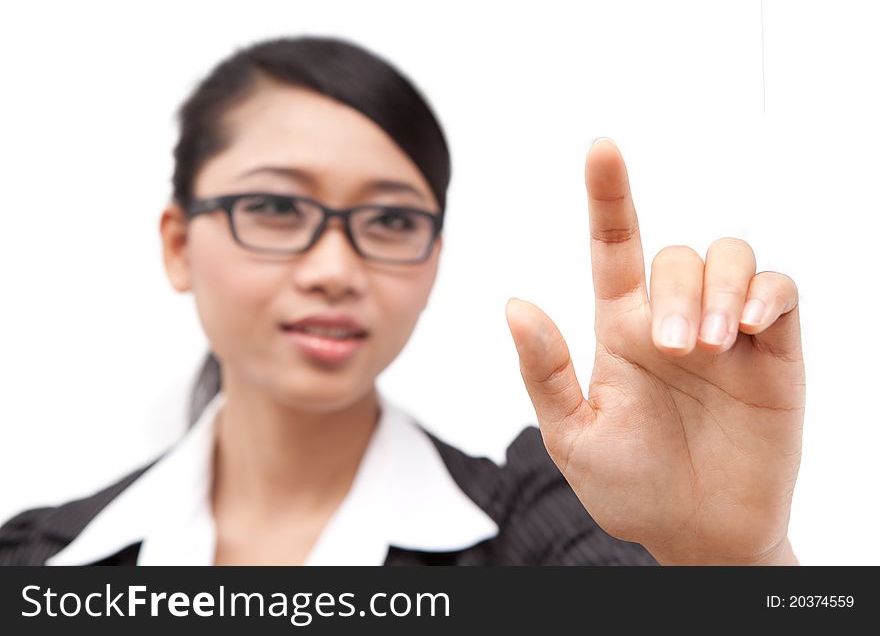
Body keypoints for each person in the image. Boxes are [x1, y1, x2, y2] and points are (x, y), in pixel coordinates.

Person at [0, 35, 804, 566]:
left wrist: (730, 564)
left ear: (431, 260)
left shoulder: (547, 530)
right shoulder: (37, 559)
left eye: (389, 220)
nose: (334, 267)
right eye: (278, 208)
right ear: (179, 244)